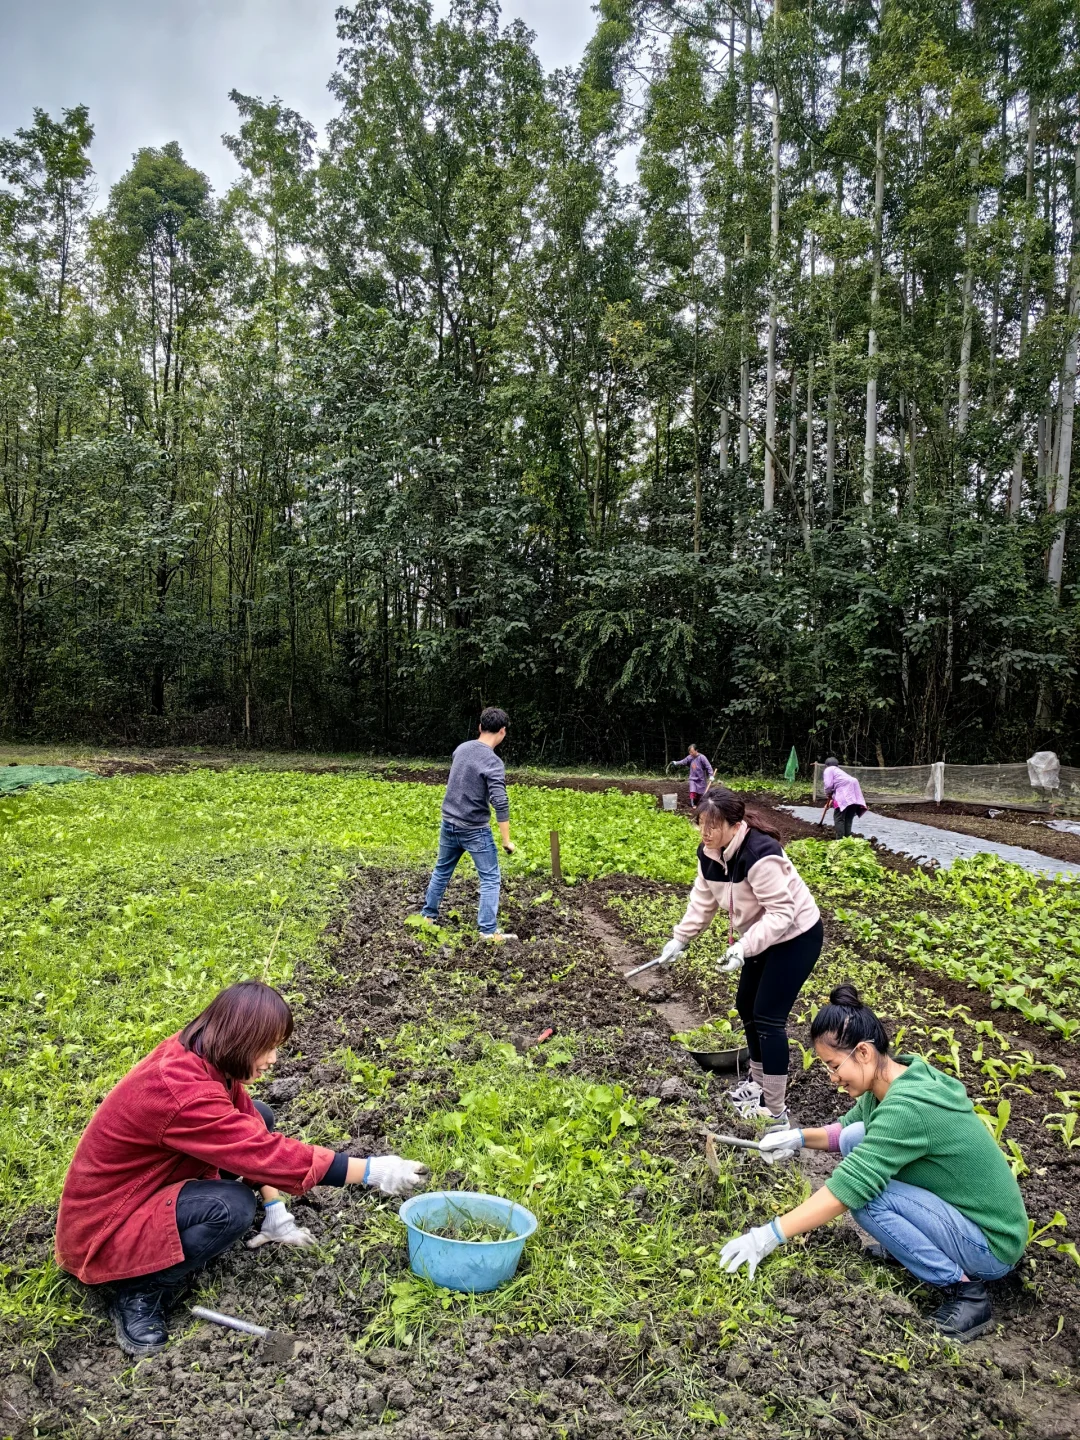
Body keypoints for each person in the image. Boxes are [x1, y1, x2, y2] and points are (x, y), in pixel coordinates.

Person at [56, 981, 430, 1358]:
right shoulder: (183, 1094)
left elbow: (252, 1133)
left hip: (150, 1184)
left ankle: (174, 1245)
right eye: (266, 1049)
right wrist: (371, 1172)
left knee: (260, 1116)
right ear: (237, 1041)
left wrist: (275, 1211)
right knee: (231, 1206)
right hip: (107, 1225)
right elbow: (266, 1154)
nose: (272, 1060)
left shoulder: (200, 1052)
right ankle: (140, 1291)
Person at [719, 984, 1029, 1343]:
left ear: (863, 1052)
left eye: (834, 1066)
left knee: (866, 1200)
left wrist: (768, 1235)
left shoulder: (907, 1107)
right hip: (971, 1219)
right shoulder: (899, 1076)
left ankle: (965, 1293)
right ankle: (910, 1246)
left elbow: (849, 1187)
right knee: (857, 1138)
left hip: (992, 1245)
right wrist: (799, 1136)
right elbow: (847, 1132)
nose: (832, 1078)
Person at [654, 788, 822, 1125]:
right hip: (762, 936)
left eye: (712, 826)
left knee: (768, 1017)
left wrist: (743, 947)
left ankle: (775, 1112)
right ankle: (757, 1086)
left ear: (734, 825)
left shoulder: (761, 854)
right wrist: (680, 939)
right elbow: (703, 901)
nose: (705, 833)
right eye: (701, 824)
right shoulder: (710, 854)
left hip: (796, 935)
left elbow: (782, 913)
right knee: (746, 1004)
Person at [420, 706, 517, 941]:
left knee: (442, 870)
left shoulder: (461, 749)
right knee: (490, 877)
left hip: (449, 822)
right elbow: (500, 802)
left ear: (480, 727)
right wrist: (506, 841)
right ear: (502, 731)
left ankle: (428, 916)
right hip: (474, 830)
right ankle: (487, 931)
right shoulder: (493, 763)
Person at [821, 756, 866, 839]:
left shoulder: (829, 770)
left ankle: (840, 840)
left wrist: (827, 794)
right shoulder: (840, 773)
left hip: (845, 796)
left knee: (839, 818)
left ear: (826, 765)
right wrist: (830, 800)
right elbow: (837, 788)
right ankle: (847, 840)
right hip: (854, 796)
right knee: (848, 818)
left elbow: (828, 785)